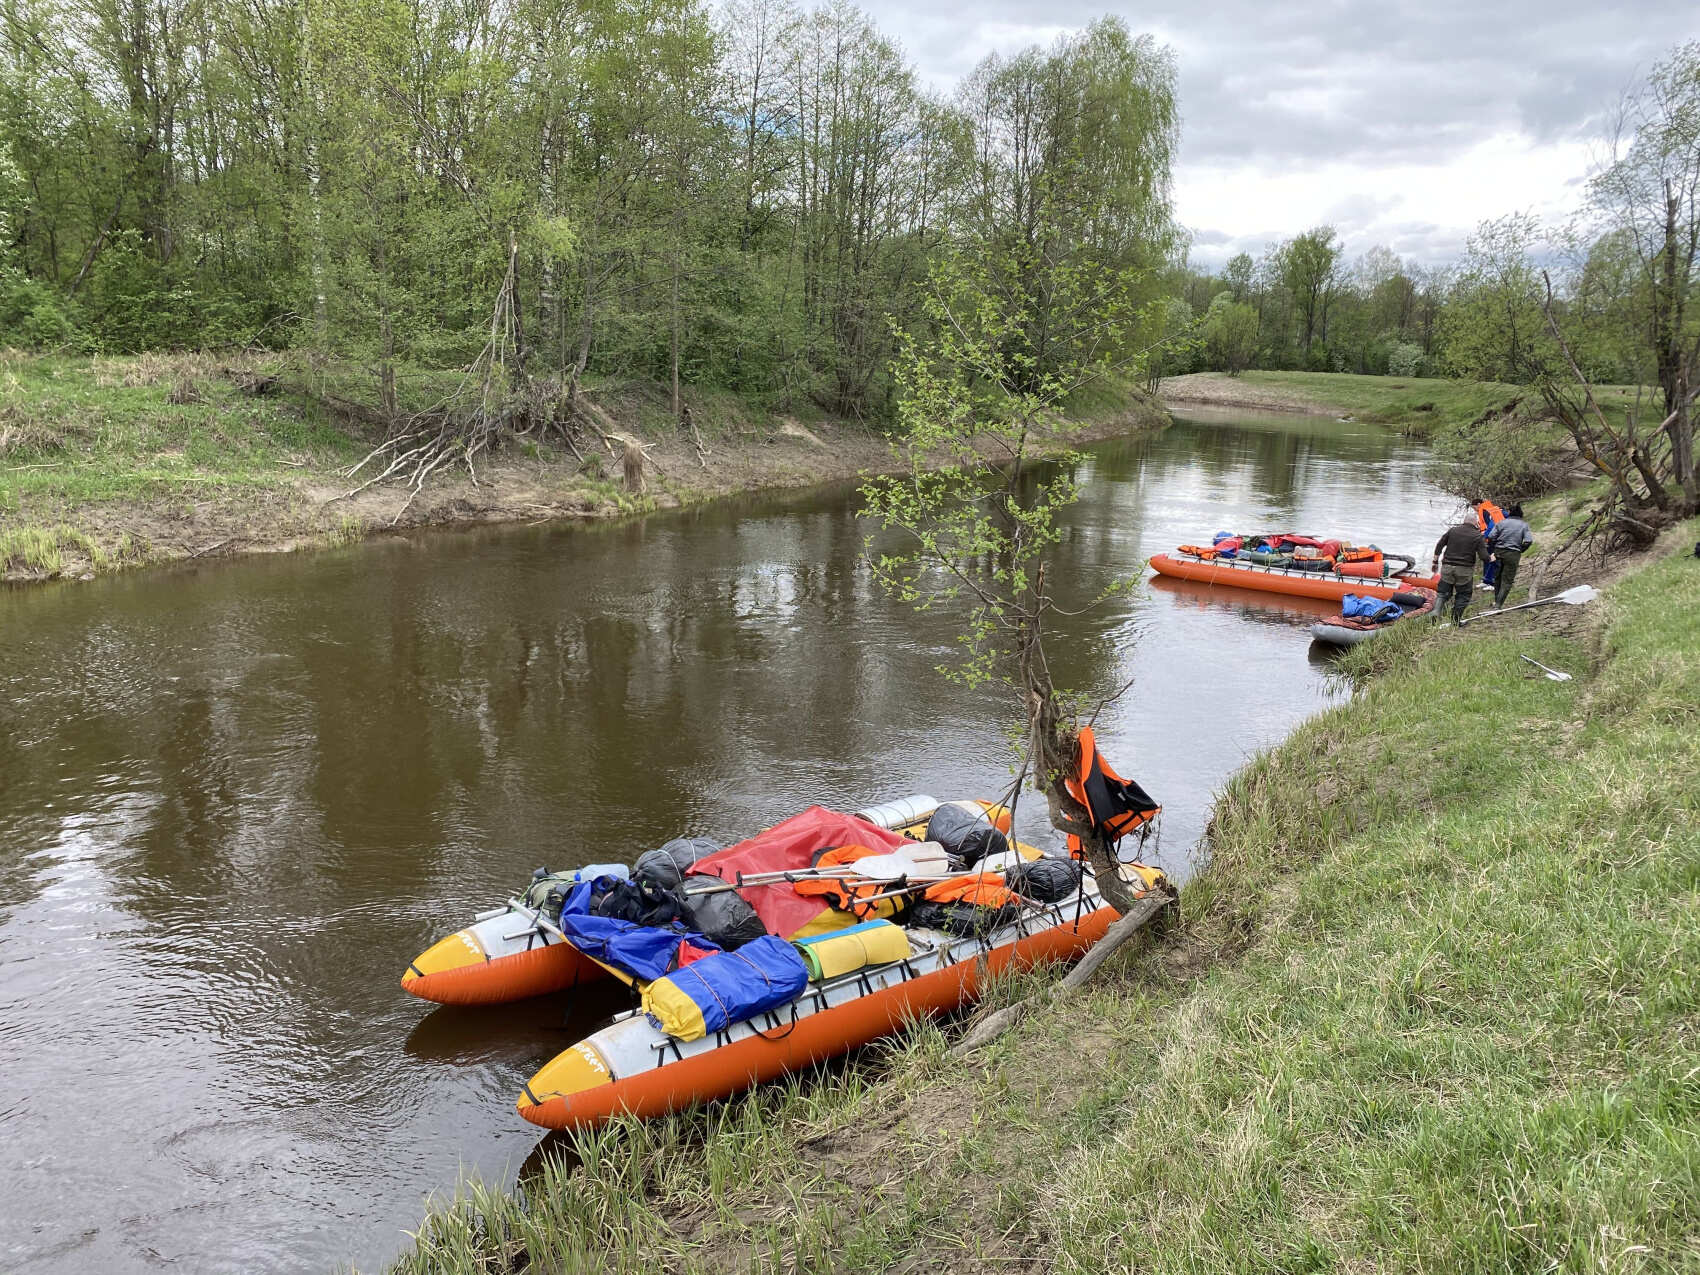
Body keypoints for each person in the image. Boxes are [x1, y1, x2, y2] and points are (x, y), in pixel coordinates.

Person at [1432, 511, 1489, 625]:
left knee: (1442, 593)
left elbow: (1439, 545)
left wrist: (1435, 561)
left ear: (1464, 521)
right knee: (1463, 595)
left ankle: (1436, 612)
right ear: (1476, 523)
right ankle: (1455, 621)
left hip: (1447, 567)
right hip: (1464, 570)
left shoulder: (1453, 530)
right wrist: (1491, 558)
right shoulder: (1477, 536)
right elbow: (1484, 557)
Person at [1486, 503, 1534, 608]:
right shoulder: (1524, 525)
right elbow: (1529, 541)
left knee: (1497, 577)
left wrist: (1495, 547)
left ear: (1510, 513)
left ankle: (1496, 601)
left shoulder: (1501, 522)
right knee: (1507, 580)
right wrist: (1521, 550)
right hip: (1513, 554)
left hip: (1499, 551)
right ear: (1521, 514)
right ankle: (1498, 604)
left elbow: (1490, 536)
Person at [1473, 497, 1505, 590]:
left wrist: (1485, 535)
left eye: (1474, 507)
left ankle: (1492, 582)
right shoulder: (1491, 509)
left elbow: (1491, 525)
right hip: (1492, 537)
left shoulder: (1485, 511)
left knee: (1492, 560)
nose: (1474, 509)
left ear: (1479, 504)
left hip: (1491, 539)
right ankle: (1486, 581)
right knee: (1487, 559)